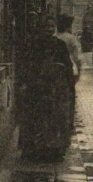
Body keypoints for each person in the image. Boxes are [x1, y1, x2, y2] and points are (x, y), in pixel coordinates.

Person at [19, 13, 74, 162]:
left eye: (51, 27)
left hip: (54, 90)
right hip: (36, 88)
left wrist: (69, 84)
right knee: (35, 119)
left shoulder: (59, 45)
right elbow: (25, 65)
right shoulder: (32, 44)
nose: (49, 30)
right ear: (41, 28)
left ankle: (52, 151)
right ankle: (32, 150)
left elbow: (68, 66)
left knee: (53, 121)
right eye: (46, 27)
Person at [56, 14, 82, 128]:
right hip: (68, 69)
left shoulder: (54, 36)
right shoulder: (71, 38)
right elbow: (77, 58)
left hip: (54, 71)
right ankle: (69, 122)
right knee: (70, 95)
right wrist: (79, 73)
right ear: (68, 25)